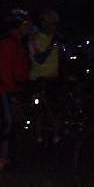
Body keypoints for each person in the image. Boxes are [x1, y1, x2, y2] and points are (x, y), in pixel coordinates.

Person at [0, 9, 31, 170]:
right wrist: (12, 90)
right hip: (6, 90)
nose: (29, 27)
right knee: (8, 123)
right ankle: (2, 157)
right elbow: (4, 70)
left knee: (16, 123)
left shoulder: (18, 42)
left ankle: (11, 157)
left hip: (15, 88)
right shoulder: (8, 43)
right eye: (26, 24)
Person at [28, 9, 63, 144]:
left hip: (53, 78)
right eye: (51, 23)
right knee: (39, 110)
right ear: (44, 23)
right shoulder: (35, 38)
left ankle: (56, 136)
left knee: (57, 108)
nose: (54, 26)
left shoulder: (55, 37)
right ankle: (38, 137)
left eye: (55, 24)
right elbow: (39, 59)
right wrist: (51, 45)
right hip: (38, 79)